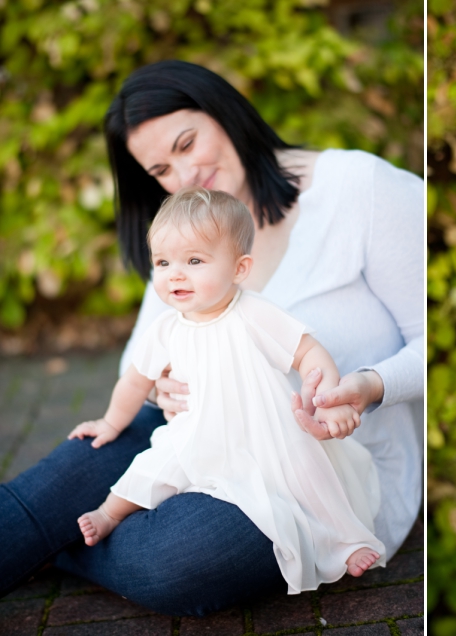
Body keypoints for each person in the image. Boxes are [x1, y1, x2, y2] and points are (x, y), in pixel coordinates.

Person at [0, 60, 423, 616]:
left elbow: (429, 337)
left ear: (224, 112)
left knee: (178, 556)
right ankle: (55, 523)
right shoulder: (186, 232)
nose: (184, 175)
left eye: (187, 142)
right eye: (160, 169)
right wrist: (163, 389)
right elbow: (142, 355)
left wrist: (367, 386)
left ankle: (61, 542)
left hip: (319, 467)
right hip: (204, 440)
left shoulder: (360, 189)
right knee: (65, 473)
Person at [70, 187, 384, 586]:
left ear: (239, 269)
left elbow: (309, 353)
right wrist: (111, 423)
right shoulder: (165, 330)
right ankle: (109, 514)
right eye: (163, 262)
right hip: (197, 433)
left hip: (266, 430)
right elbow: (135, 382)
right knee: (153, 466)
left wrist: (327, 398)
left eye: (194, 260)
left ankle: (346, 541)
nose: (175, 274)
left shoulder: (253, 312)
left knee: (310, 472)